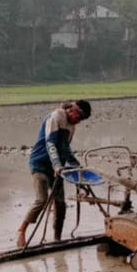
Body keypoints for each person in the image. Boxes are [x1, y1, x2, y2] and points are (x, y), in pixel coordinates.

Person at [17, 100, 92, 247]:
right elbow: (50, 143)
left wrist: (78, 168)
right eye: (79, 117)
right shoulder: (56, 117)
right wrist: (57, 165)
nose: (79, 121)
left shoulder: (71, 127)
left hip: (58, 170)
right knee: (41, 200)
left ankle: (57, 239)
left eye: (82, 120)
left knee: (60, 204)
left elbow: (65, 150)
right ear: (72, 110)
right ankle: (22, 230)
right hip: (40, 164)